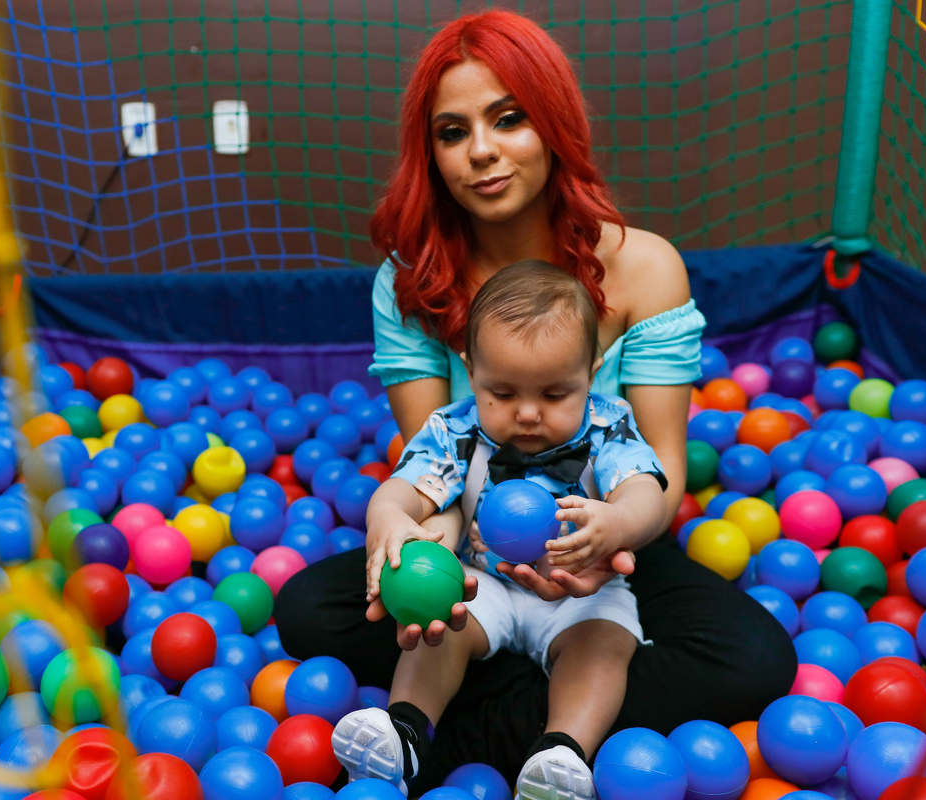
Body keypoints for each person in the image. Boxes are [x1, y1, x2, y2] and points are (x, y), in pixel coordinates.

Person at [275, 8, 796, 790]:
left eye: (508, 119)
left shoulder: (646, 269)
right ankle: (547, 734)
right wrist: (415, 546)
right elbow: (434, 475)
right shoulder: (412, 282)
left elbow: (659, 479)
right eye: (453, 132)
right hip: (474, 560)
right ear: (431, 153)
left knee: (753, 658)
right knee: (308, 611)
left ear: (553, 125)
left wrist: (600, 544)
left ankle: (461, 736)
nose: (481, 151)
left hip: (601, 555)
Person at [333, 262, 665, 797]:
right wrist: (389, 517)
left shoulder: (609, 424)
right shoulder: (455, 430)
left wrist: (618, 521)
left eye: (554, 394)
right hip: (484, 580)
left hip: (578, 587)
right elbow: (404, 488)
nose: (528, 413)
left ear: (592, 371)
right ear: (471, 372)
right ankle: (405, 733)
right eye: (503, 393)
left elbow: (646, 490)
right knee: (439, 621)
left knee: (605, 640)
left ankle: (561, 754)